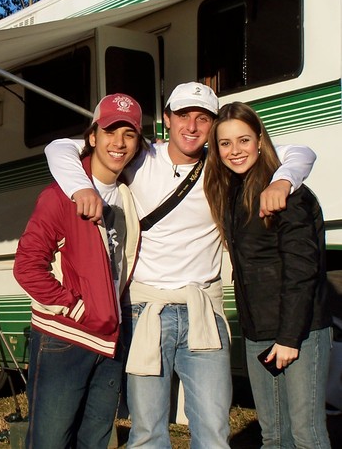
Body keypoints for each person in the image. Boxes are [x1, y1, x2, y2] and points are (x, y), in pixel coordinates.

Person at [44, 82, 316, 448]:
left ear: (213, 125)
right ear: (167, 120)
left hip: (203, 309)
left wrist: (282, 181)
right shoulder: (140, 157)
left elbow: (300, 152)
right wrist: (81, 187)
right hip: (145, 310)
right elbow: (60, 147)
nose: (192, 126)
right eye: (183, 115)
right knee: (148, 433)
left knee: (213, 432)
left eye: (202, 118)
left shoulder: (221, 165)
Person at [14, 94, 145, 448]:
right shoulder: (58, 197)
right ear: (92, 137)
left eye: (128, 134)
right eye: (110, 131)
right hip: (64, 338)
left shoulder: (127, 196)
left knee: (96, 440)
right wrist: (77, 307)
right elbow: (26, 267)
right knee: (51, 441)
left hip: (109, 340)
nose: (118, 142)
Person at [203, 101, 332, 449]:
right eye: (225, 143)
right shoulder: (231, 190)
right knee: (274, 436)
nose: (235, 150)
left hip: (300, 332)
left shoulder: (287, 194)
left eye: (243, 140)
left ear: (260, 139)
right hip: (258, 330)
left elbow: (302, 270)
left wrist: (289, 338)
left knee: (307, 435)